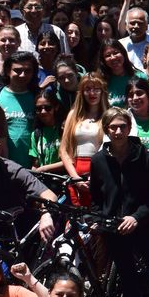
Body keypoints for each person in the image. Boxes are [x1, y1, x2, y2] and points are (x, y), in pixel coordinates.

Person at [89, 108, 149, 297]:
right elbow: (97, 198)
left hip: (143, 225)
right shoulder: (99, 160)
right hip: (114, 228)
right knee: (127, 278)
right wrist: (98, 220)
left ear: (130, 128)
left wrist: (136, 217)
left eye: (122, 126)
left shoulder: (145, 155)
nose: (118, 131)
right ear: (106, 130)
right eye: (113, 127)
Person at [59, 72, 108, 204]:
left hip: (101, 172)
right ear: (82, 92)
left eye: (96, 88)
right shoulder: (73, 115)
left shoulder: (109, 115)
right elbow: (63, 150)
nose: (92, 93)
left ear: (102, 91)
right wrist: (75, 177)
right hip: (76, 171)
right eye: (87, 89)